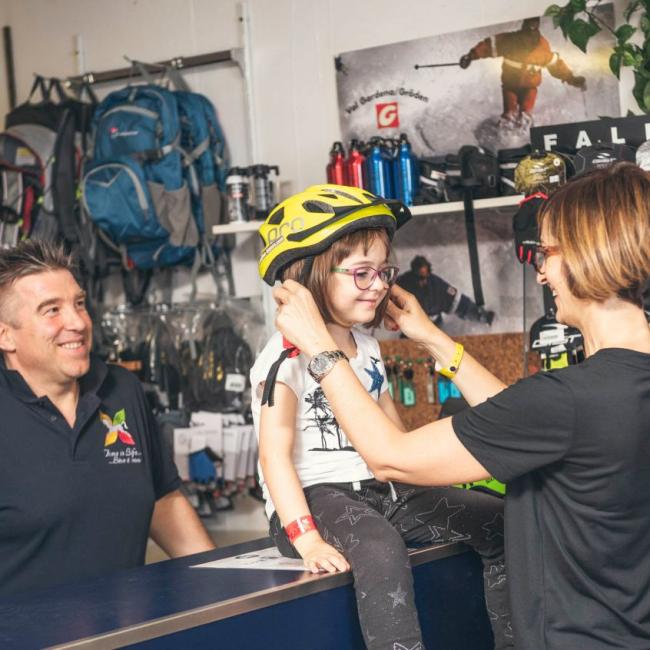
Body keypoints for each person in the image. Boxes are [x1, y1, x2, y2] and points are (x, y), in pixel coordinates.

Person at [273, 163, 650, 649]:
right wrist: (430, 338)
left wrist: (320, 348)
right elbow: (519, 418)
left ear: (590, 254)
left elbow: (392, 456)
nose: (540, 271)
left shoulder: (571, 398)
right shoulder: (612, 388)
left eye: (548, 253)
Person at [251, 185, 511, 650]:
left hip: (382, 489)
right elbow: (273, 458)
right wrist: (305, 539)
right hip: (315, 499)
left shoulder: (368, 347)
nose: (380, 285)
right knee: (380, 548)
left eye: (384, 272)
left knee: (501, 522)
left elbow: (394, 438)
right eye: (361, 273)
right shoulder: (282, 356)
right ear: (310, 275)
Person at [0, 241, 215, 599]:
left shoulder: (121, 389)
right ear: (5, 335)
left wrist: (220, 592)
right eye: (51, 310)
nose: (77, 322)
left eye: (79, 304)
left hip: (123, 632)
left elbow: (162, 499)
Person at [459, 17, 586, 129]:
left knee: (526, 114)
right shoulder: (510, 41)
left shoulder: (542, 47)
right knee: (510, 113)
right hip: (510, 86)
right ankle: (506, 130)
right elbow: (488, 46)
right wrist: (470, 56)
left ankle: (525, 132)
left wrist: (571, 79)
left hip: (529, 88)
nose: (527, 41)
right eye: (526, 34)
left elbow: (556, 66)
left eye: (532, 35)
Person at [396, 254, 494, 327]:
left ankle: (485, 317)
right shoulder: (406, 280)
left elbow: (459, 301)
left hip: (439, 312)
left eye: (425, 276)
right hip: (426, 318)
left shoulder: (435, 285)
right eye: (420, 277)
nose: (423, 281)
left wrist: (483, 316)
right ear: (414, 273)